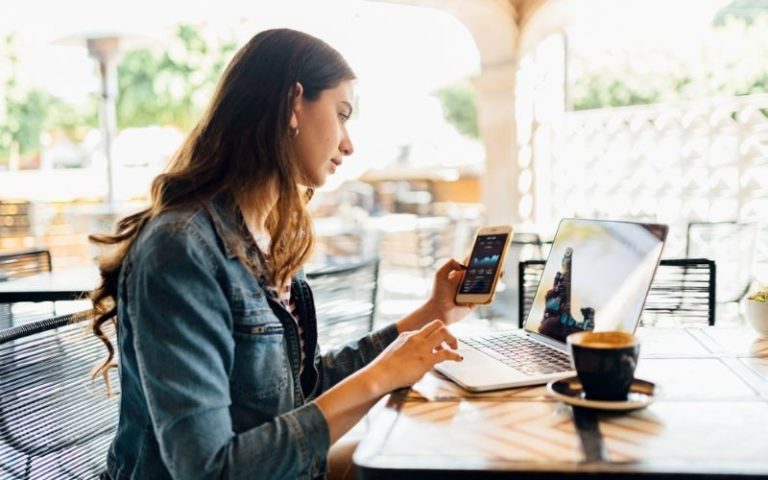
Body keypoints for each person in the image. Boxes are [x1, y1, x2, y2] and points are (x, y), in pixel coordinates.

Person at [89, 28, 474, 480]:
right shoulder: (181, 250)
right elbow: (207, 469)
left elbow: (302, 388)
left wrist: (433, 313)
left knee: (437, 458)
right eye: (342, 114)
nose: (349, 144)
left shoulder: (267, 237)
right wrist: (381, 378)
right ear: (294, 103)